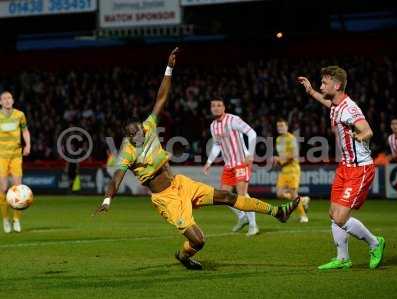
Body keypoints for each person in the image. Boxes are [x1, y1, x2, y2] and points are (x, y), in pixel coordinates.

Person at [95, 48, 300, 270]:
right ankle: (184, 256)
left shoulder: (148, 126)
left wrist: (169, 68)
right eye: (136, 137)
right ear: (129, 138)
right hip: (166, 199)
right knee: (199, 240)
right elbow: (117, 176)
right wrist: (107, 199)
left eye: (142, 134)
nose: (141, 138)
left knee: (228, 196)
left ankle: (277, 212)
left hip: (181, 184)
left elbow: (161, 98)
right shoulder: (127, 152)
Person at [298, 66, 385, 270]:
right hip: (344, 167)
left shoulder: (350, 108)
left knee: (340, 217)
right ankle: (343, 258)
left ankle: (375, 242)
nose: (321, 85)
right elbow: (328, 102)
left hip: (359, 169)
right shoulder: (336, 104)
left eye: (324, 83)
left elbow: (368, 130)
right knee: (333, 214)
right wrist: (311, 91)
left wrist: (360, 136)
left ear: (337, 85)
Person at [203, 97, 259, 236]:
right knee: (223, 196)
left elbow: (252, 133)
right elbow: (217, 145)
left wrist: (250, 155)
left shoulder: (233, 120)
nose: (216, 108)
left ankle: (253, 225)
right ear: (211, 109)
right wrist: (209, 162)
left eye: (219, 105)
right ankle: (242, 217)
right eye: (213, 106)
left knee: (242, 194)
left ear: (224, 107)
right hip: (229, 165)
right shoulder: (213, 126)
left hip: (241, 162)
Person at [0, 91, 31, 233]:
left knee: (18, 189)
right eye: (4, 99)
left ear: (12, 101)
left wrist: (28, 145)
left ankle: (16, 219)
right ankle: (5, 219)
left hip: (16, 156)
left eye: (9, 98)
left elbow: (25, 131)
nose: (7, 100)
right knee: (3, 188)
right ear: (0, 102)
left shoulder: (20, 115)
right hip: (1, 156)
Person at [273, 118, 310, 223]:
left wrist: (280, 160)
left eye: (282, 126)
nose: (280, 128)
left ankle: (303, 216)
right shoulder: (278, 139)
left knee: (293, 194)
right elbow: (282, 156)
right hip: (284, 170)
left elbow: (294, 155)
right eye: (278, 126)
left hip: (293, 169)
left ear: (287, 127)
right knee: (279, 194)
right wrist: (278, 160)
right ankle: (302, 200)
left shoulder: (291, 138)